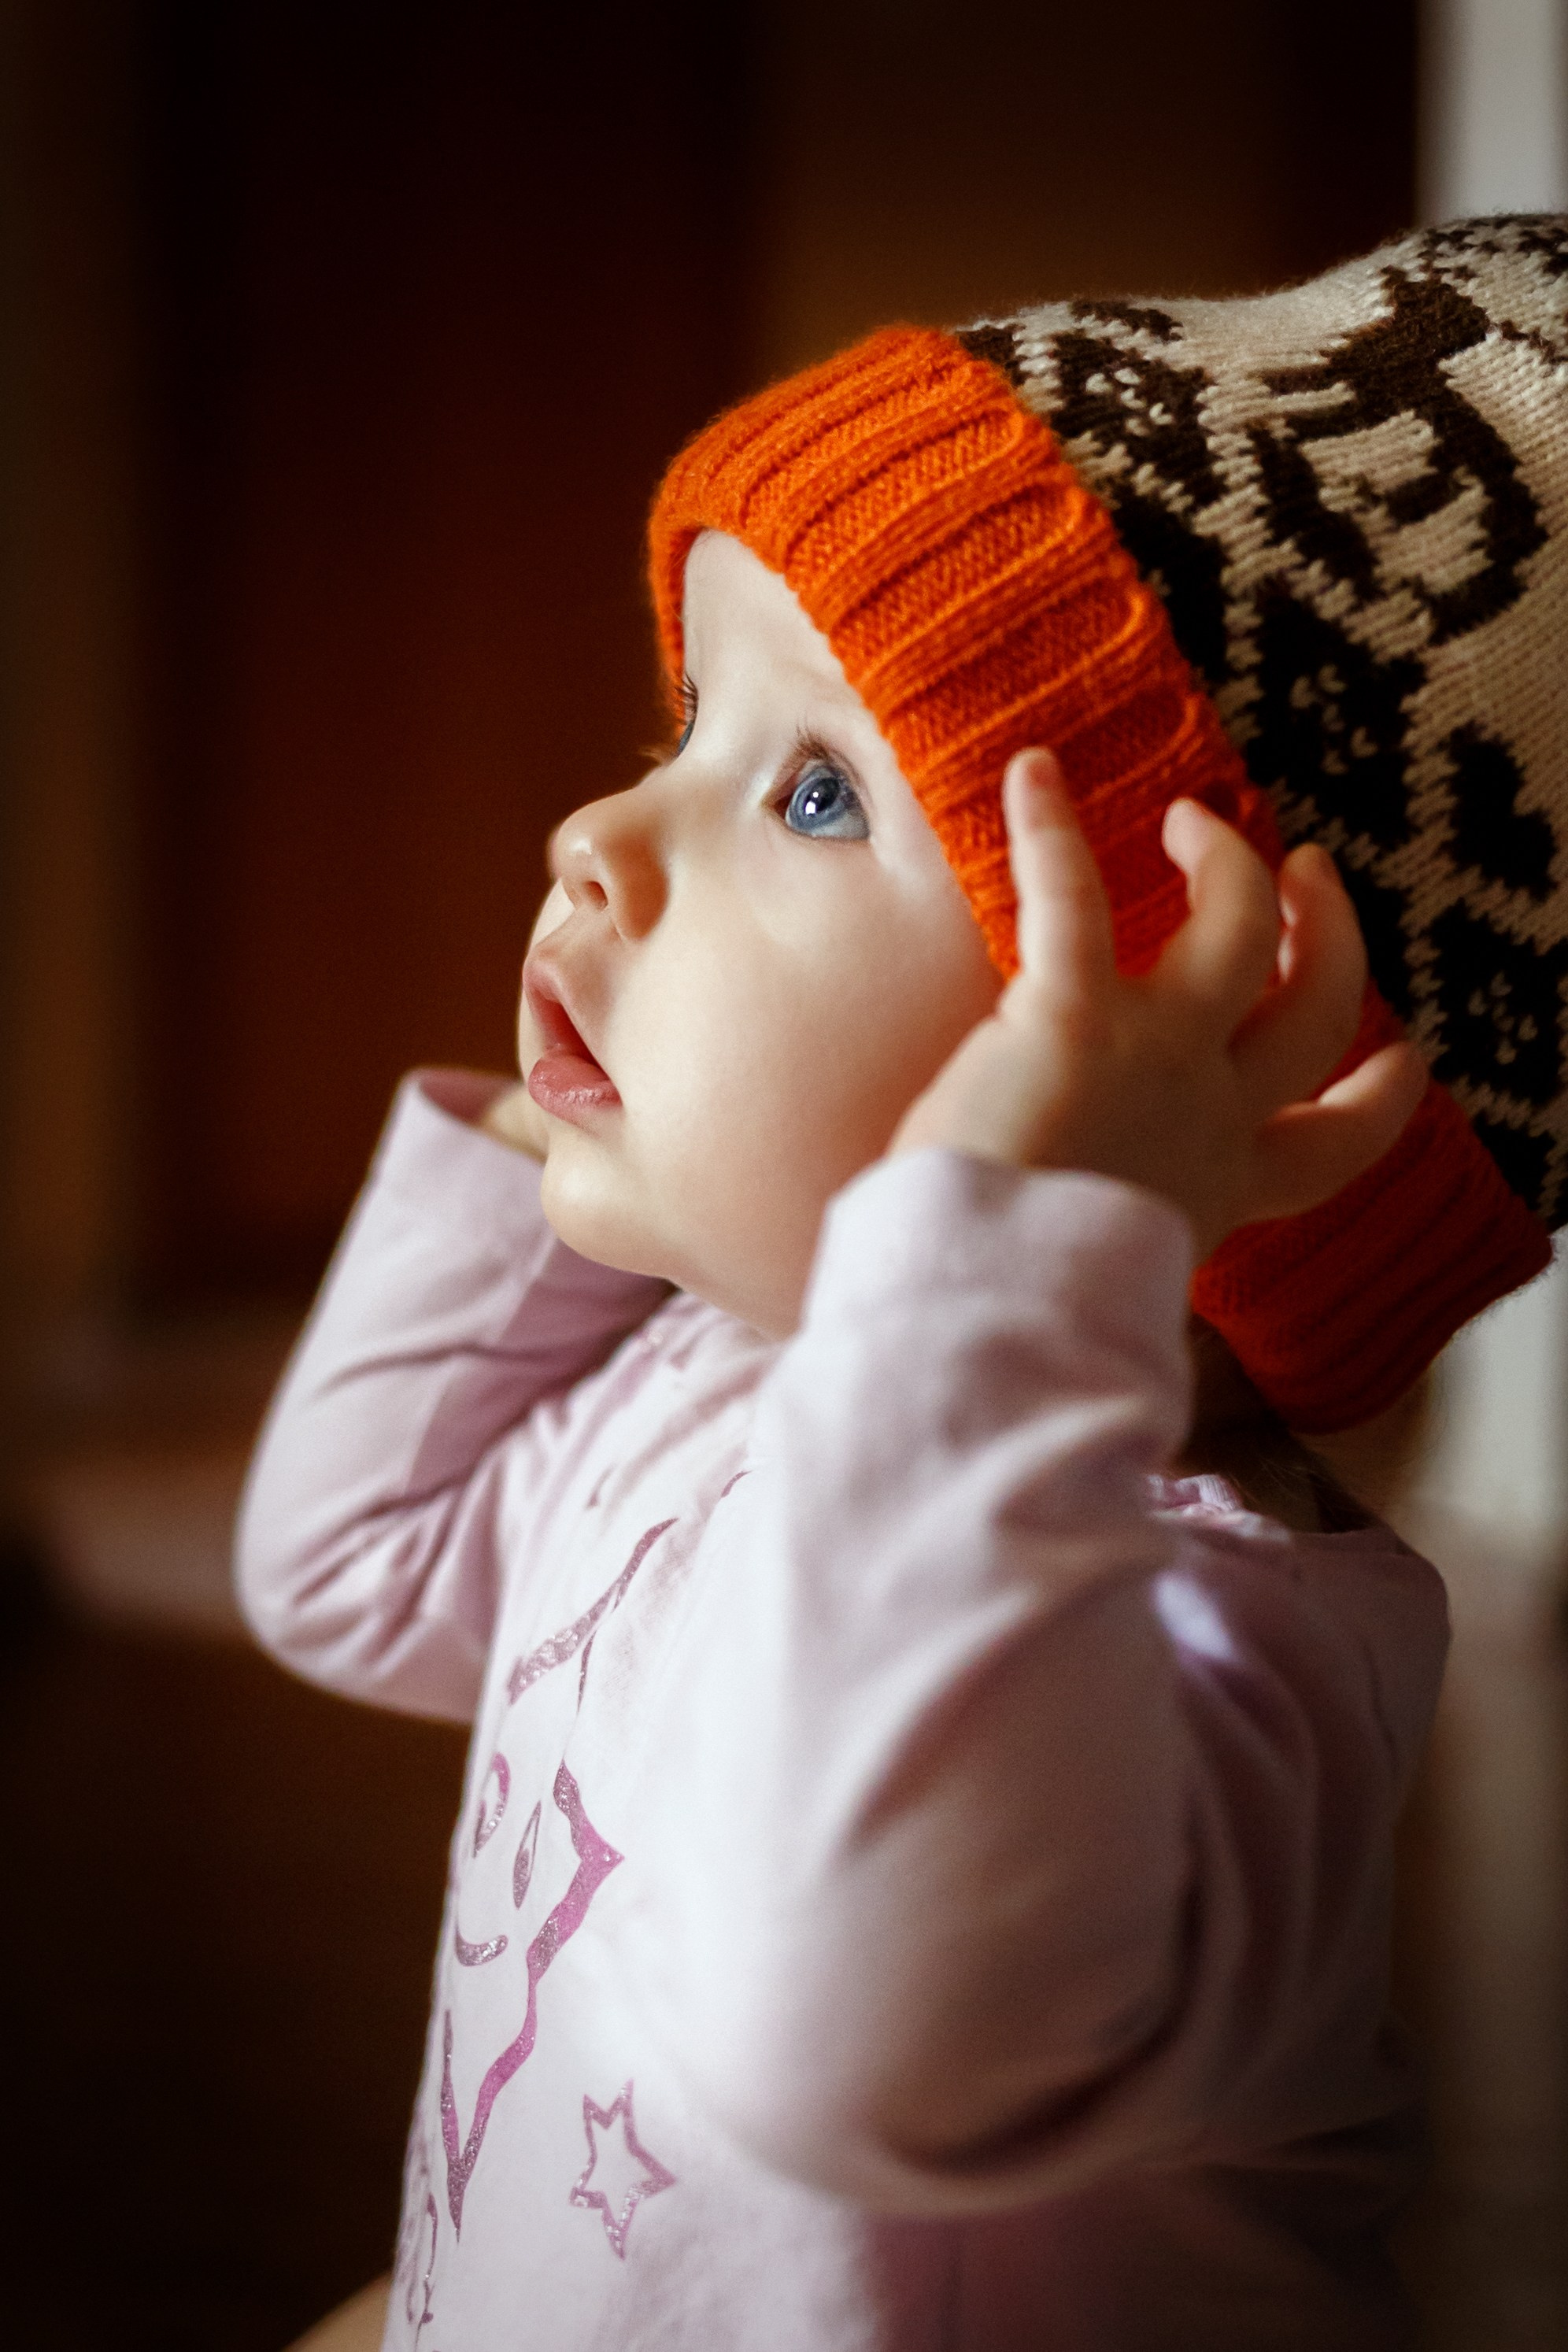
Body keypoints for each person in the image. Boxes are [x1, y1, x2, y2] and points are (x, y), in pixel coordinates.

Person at [239, 216, 1568, 2350]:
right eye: (687, 716)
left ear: (1199, 1134)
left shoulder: (1217, 1645)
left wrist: (1015, 1259)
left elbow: (834, 2028)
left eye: (816, 790)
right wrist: (557, 1138)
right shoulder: (703, 1387)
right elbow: (351, 1560)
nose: (600, 829)